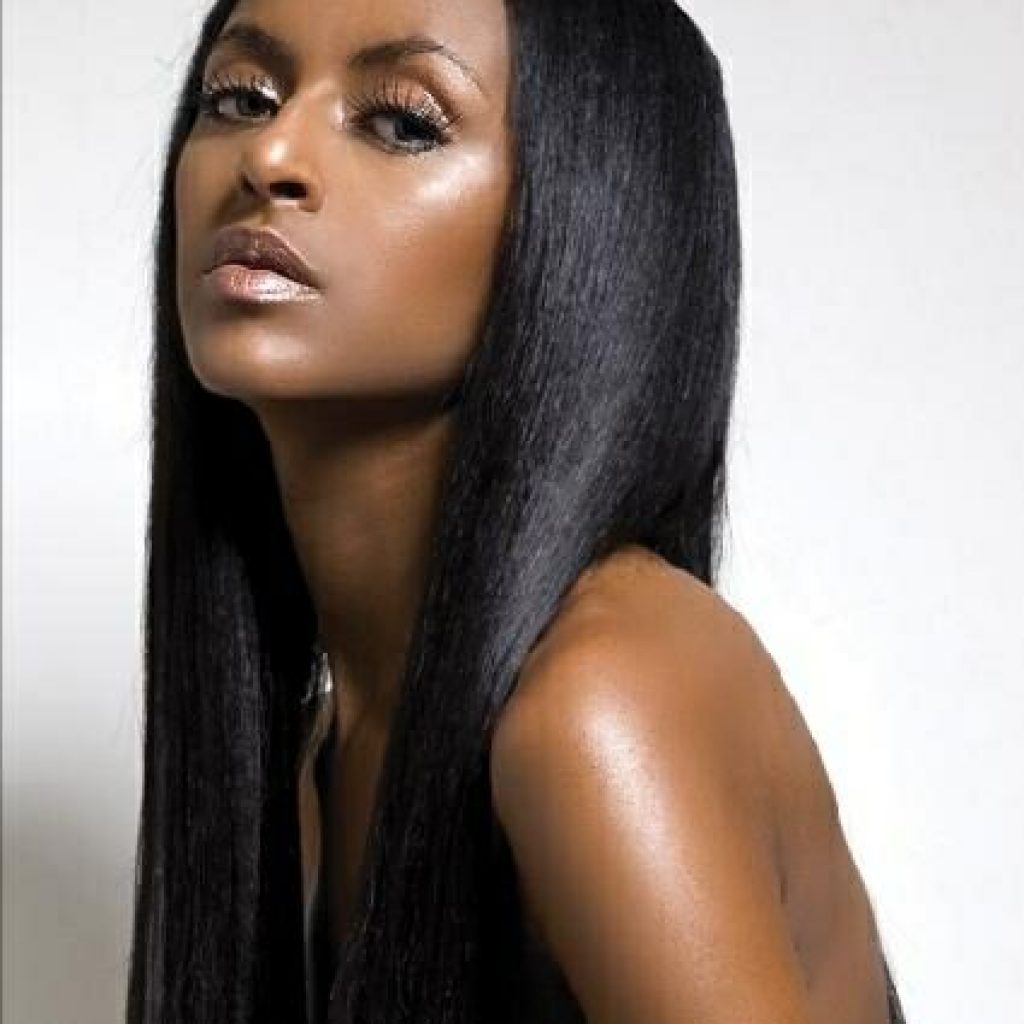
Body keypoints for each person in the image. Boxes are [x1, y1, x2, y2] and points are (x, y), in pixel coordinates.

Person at [125, 0, 908, 1022]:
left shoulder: (595, 699)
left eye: (402, 121)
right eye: (240, 97)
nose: (270, 154)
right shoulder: (317, 773)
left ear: (582, 218)